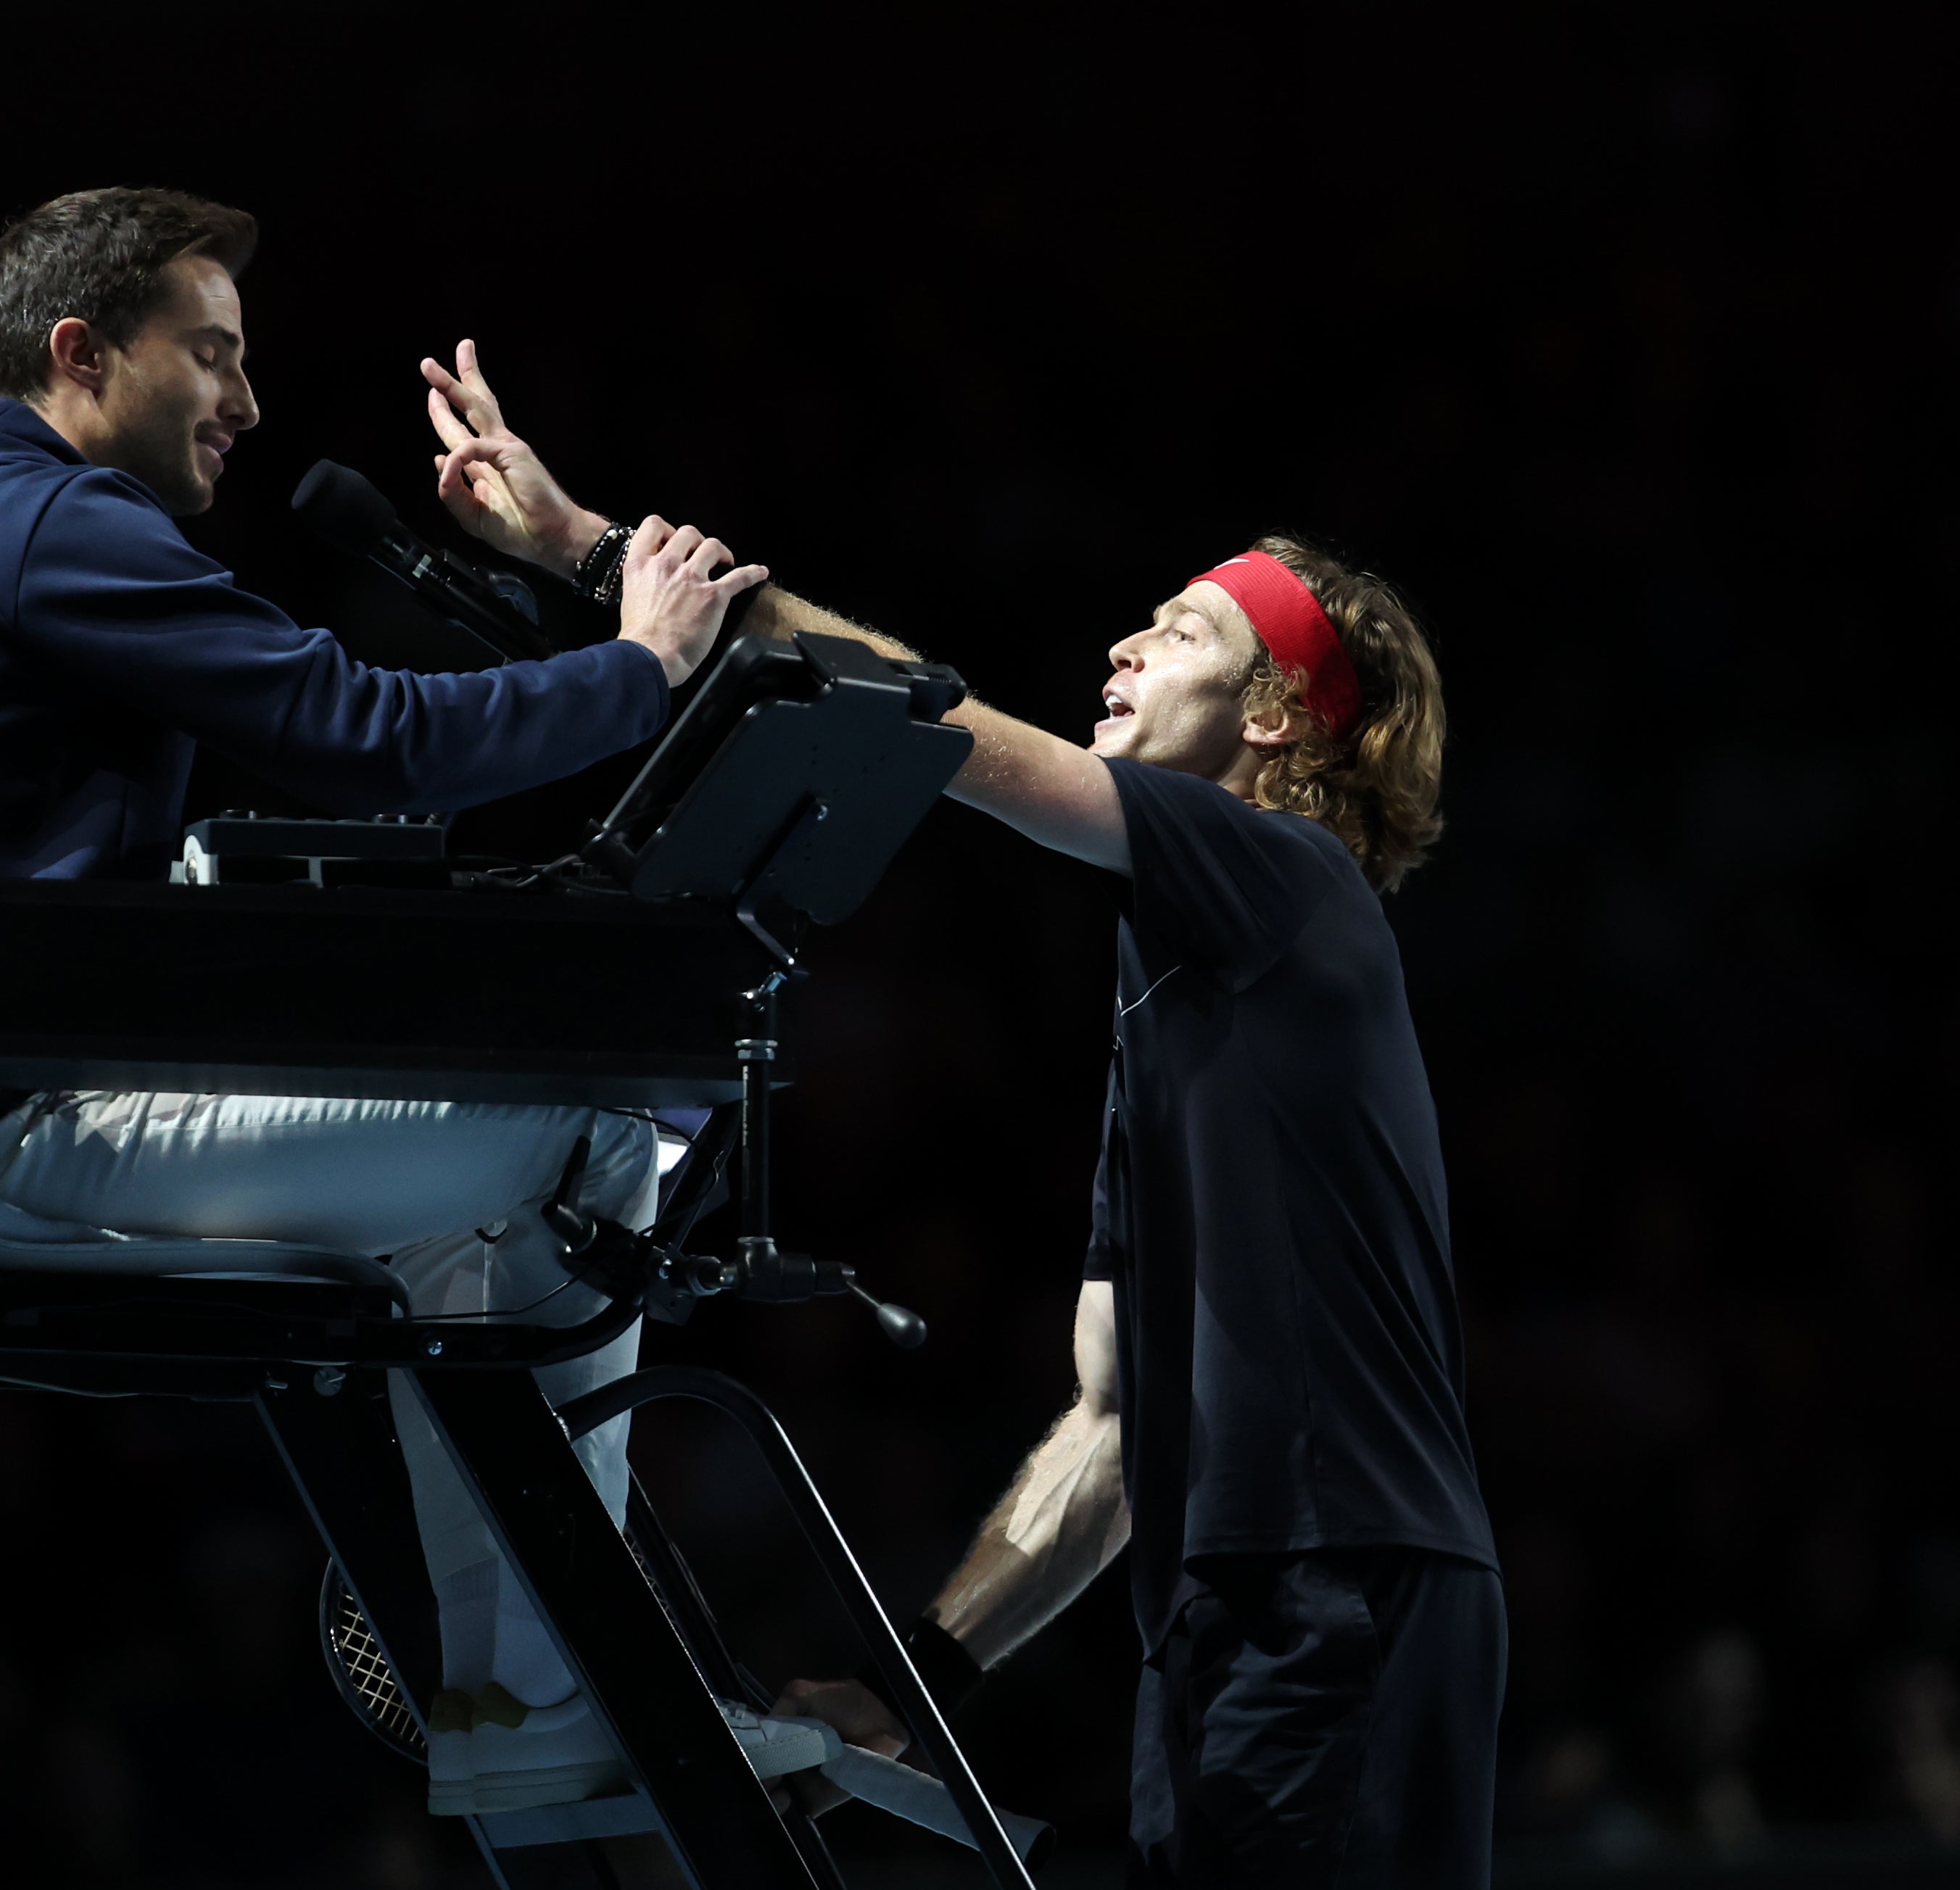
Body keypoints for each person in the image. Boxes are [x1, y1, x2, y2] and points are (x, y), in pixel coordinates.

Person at [0, 188, 827, 1819]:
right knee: (602, 1124)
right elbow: (368, 733)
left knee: (452, 1230)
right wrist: (640, 666)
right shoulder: (55, 526)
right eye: (211, 355)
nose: (249, 405)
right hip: (26, 1125)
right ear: (81, 352)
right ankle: (544, 1697)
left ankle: (512, 1696)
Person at [421, 351, 1502, 1882]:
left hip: (1348, 1597)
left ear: (1275, 718)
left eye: (1185, 628)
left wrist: (594, 550)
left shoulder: (1282, 877)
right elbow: (1113, 1432)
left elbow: (932, 727)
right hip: (1221, 1617)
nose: (1126, 644)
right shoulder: (1184, 988)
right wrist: (914, 1689)